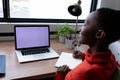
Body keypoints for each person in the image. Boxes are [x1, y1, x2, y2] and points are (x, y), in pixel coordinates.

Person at [54, 7, 120, 80]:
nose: (79, 28)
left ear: (99, 34)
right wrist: (83, 56)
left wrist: (59, 76)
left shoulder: (77, 76)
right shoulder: (111, 59)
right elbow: (98, 63)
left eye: (85, 24)